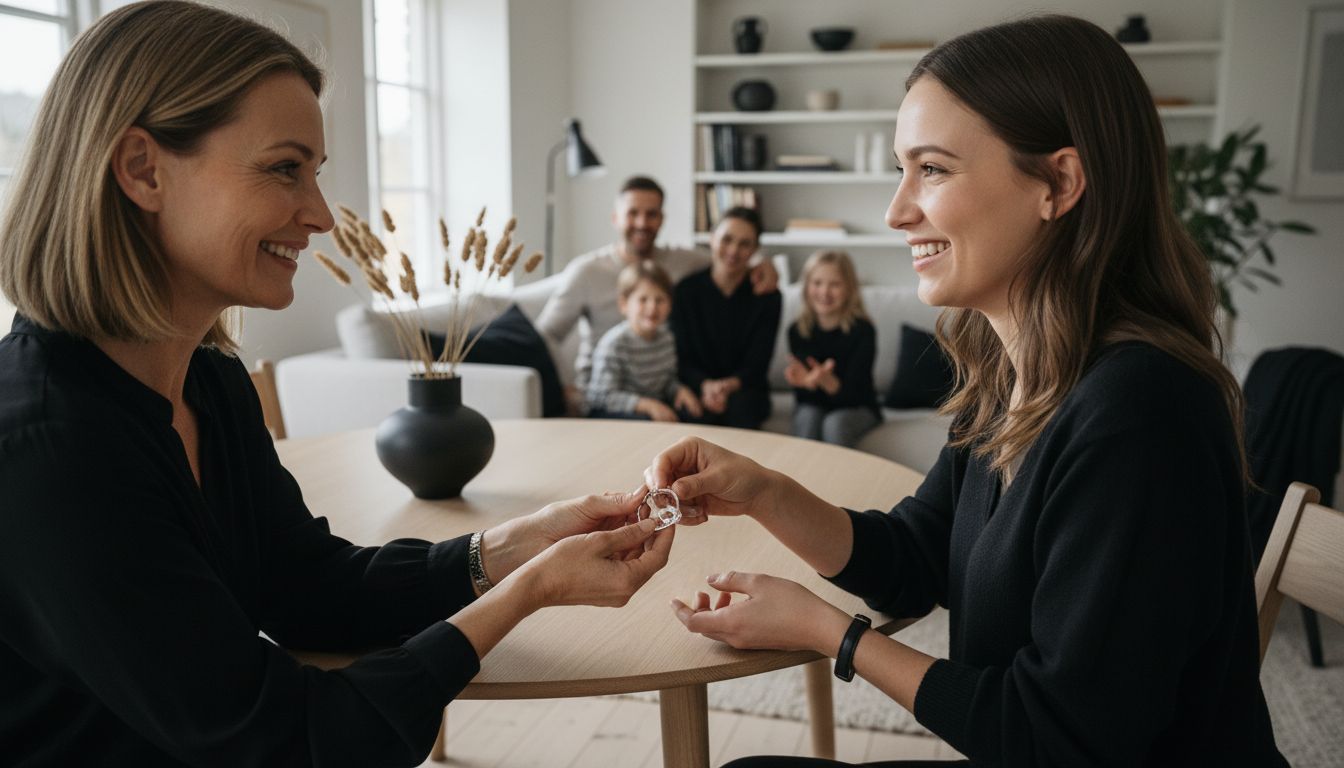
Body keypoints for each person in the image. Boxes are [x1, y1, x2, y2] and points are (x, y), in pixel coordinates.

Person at [0, 3, 672, 765]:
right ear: (142, 170)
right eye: (285, 168)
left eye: (314, 174)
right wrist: (530, 593)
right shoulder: (49, 450)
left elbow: (307, 587)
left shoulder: (212, 386)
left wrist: (508, 549)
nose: (320, 215)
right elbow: (293, 741)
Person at [645, 15, 1287, 767]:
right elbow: (917, 558)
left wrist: (832, 633)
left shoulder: (1141, 412)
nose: (896, 211)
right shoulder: (1010, 371)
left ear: (1059, 183)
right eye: (901, 169)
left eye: (933, 169)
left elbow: (1054, 739)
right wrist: (763, 490)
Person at [534, 175, 778, 412]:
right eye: (633, 213)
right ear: (615, 218)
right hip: (606, 394)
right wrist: (563, 387)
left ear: (662, 219)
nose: (642, 223)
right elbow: (545, 334)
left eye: (651, 214)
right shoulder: (586, 271)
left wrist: (764, 264)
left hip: (658, 390)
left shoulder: (682, 262)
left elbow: (728, 257)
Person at [671, 206, 781, 431]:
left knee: (742, 408)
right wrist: (705, 385)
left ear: (755, 249)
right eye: (727, 239)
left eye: (745, 244)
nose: (733, 250)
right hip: (697, 386)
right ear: (712, 239)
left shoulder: (768, 296)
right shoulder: (685, 291)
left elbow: (758, 361)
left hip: (746, 389)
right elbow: (681, 356)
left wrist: (727, 386)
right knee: (694, 412)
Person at [785, 250, 881, 448]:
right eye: (817, 283)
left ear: (849, 289)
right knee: (808, 417)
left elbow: (857, 394)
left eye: (834, 284)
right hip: (814, 405)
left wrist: (832, 385)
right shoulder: (797, 331)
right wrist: (807, 384)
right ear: (806, 287)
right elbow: (803, 399)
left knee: (834, 423)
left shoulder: (863, 330)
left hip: (859, 407)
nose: (824, 292)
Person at [586, 261, 702, 421]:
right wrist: (646, 405)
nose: (652, 307)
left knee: (692, 413)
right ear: (624, 304)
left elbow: (667, 381)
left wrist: (679, 390)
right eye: (643, 299)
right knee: (647, 420)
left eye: (660, 300)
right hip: (612, 411)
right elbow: (601, 397)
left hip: (653, 404)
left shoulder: (667, 338)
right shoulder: (614, 343)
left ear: (670, 305)